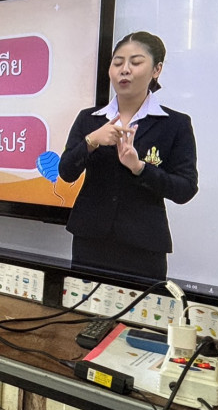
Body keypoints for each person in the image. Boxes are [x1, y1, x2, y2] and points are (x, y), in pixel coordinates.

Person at [58, 31, 198, 280]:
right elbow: (66, 172)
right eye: (118, 62)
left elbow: (185, 189)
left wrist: (140, 168)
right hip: (90, 242)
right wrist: (91, 141)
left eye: (135, 62)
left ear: (156, 69)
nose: (124, 70)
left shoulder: (175, 124)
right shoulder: (89, 119)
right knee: (84, 304)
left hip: (144, 246)